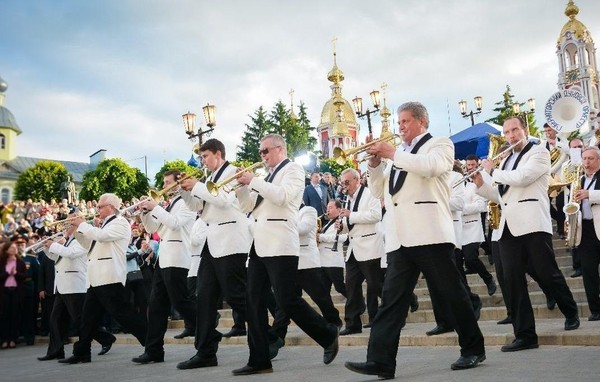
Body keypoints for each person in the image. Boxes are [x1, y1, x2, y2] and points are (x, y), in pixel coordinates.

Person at [346, 102, 485, 379]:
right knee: (390, 302)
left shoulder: (439, 144)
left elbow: (432, 167)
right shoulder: (401, 155)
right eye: (399, 123)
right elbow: (379, 191)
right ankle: (381, 361)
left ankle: (473, 348)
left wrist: (392, 153)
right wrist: (374, 166)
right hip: (401, 239)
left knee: (452, 295)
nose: (400, 127)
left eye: (406, 121)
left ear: (422, 121)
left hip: (430, 233)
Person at [233, 133, 339, 375]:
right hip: (260, 244)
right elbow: (248, 207)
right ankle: (259, 359)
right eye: (261, 152)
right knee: (253, 301)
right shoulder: (267, 177)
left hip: (281, 242)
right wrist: (242, 188)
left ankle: (326, 333)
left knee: (287, 300)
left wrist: (253, 181)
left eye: (265, 151)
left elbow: (282, 197)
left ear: (279, 149)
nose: (262, 156)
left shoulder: (292, 169)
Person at [474, 116, 579, 352]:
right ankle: (525, 335)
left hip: (533, 224)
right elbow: (502, 196)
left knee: (546, 273)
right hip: (509, 227)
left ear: (525, 130)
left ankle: (570, 310)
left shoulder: (539, 152)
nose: (510, 136)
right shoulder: (506, 161)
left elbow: (523, 178)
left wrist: (493, 171)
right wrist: (482, 184)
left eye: (514, 130)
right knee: (512, 281)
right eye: (507, 132)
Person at [176, 138, 252, 370]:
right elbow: (198, 207)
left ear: (218, 154)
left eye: (206, 156)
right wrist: (186, 192)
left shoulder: (232, 173)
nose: (203, 161)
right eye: (201, 157)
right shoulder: (210, 178)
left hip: (231, 241)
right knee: (205, 297)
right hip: (212, 242)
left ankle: (268, 334)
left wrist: (196, 186)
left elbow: (222, 200)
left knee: (236, 295)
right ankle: (206, 351)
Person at [60, 193, 147, 364]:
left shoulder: (120, 222)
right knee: (88, 318)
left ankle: (152, 344)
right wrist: (75, 231)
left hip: (109, 276)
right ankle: (82, 352)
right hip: (95, 278)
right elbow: (88, 245)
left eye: (100, 206)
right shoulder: (102, 225)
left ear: (111, 207)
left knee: (124, 315)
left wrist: (83, 224)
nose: (97, 209)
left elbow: (102, 237)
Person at [133, 170, 197, 364]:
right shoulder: (169, 205)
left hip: (178, 257)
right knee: (156, 306)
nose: (164, 187)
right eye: (164, 183)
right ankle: (153, 351)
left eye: (168, 182)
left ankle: (208, 325)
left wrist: (156, 207)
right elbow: (154, 229)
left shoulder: (188, 201)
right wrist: (146, 213)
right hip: (165, 258)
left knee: (181, 302)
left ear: (179, 183)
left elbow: (175, 224)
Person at [38, 219, 115, 361]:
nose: (65, 228)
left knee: (80, 319)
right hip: (62, 286)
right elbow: (56, 258)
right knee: (56, 319)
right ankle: (56, 351)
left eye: (69, 225)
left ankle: (105, 338)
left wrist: (54, 245)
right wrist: (47, 247)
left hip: (75, 286)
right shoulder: (66, 242)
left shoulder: (82, 240)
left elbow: (71, 253)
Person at [337, 168, 385, 334]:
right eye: (342, 182)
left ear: (357, 180)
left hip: (370, 245)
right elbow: (349, 224)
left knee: (376, 284)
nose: (344, 186)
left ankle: (399, 308)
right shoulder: (346, 199)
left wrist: (351, 214)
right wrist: (341, 226)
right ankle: (352, 324)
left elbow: (375, 215)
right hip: (353, 248)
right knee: (351, 286)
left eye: (347, 182)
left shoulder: (370, 193)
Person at [571, 146, 600, 321]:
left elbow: (591, 196)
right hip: (585, 230)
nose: (586, 162)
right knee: (588, 271)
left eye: (590, 159)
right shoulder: (579, 180)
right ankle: (595, 309)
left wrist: (590, 194)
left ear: (598, 159)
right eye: (584, 159)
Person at [541, 123, 569, 238]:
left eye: (550, 130)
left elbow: (568, 151)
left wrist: (556, 144)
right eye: (546, 130)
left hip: (561, 178)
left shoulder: (563, 142)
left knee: (560, 203)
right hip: (548, 179)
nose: (548, 133)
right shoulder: (542, 145)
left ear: (555, 131)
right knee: (545, 203)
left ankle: (562, 230)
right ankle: (559, 219)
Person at [317, 199, 347, 298]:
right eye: (327, 208)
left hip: (333, 261)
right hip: (322, 260)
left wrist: (321, 237)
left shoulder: (342, 221)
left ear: (339, 209)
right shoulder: (327, 223)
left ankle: (358, 301)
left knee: (340, 287)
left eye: (330, 207)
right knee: (324, 291)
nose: (327, 210)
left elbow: (343, 237)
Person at [0, 241, 26, 349]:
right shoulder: (2, 262)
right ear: (6, 250)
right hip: (4, 291)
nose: (14, 249)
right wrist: (7, 273)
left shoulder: (20, 262)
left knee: (14, 315)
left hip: (16, 291)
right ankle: (4, 339)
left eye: (15, 248)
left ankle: (13, 339)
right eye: (11, 248)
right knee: (4, 315)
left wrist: (16, 274)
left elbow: (25, 276)